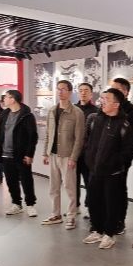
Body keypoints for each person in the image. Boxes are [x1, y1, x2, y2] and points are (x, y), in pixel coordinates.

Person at [82, 88, 133, 249]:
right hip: (95, 170)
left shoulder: (124, 125)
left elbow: (128, 152)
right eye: (102, 98)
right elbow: (88, 142)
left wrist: (115, 163)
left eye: (106, 99)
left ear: (116, 104)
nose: (102, 101)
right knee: (93, 201)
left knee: (111, 204)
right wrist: (89, 159)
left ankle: (109, 234)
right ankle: (97, 230)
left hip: (113, 173)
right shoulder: (96, 120)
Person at [41, 80, 85, 229]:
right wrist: (45, 153)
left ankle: (71, 216)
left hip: (67, 156)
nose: (60, 92)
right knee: (53, 187)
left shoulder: (77, 113)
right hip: (53, 154)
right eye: (58, 89)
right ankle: (56, 214)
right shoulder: (52, 111)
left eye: (64, 89)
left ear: (70, 92)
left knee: (70, 188)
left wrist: (73, 157)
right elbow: (49, 133)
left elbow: (79, 138)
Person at [0, 89, 38, 217]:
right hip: (5, 154)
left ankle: (30, 204)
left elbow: (32, 136)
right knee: (11, 181)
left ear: (13, 99)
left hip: (21, 154)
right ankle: (16, 204)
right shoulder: (4, 114)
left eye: (6, 97)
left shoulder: (27, 116)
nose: (4, 99)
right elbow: (0, 134)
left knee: (26, 180)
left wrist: (29, 154)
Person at [109, 77, 133, 234]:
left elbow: (131, 140)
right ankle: (108, 219)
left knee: (119, 190)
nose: (113, 91)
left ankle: (120, 221)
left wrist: (122, 159)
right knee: (107, 190)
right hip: (106, 158)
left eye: (117, 88)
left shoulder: (131, 112)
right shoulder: (108, 108)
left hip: (120, 160)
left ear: (126, 92)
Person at [75, 82, 98, 215]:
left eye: (86, 90)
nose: (83, 93)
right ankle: (75, 206)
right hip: (74, 153)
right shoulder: (72, 109)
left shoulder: (97, 111)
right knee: (73, 182)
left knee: (90, 182)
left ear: (91, 93)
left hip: (89, 154)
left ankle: (90, 208)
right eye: (81, 90)